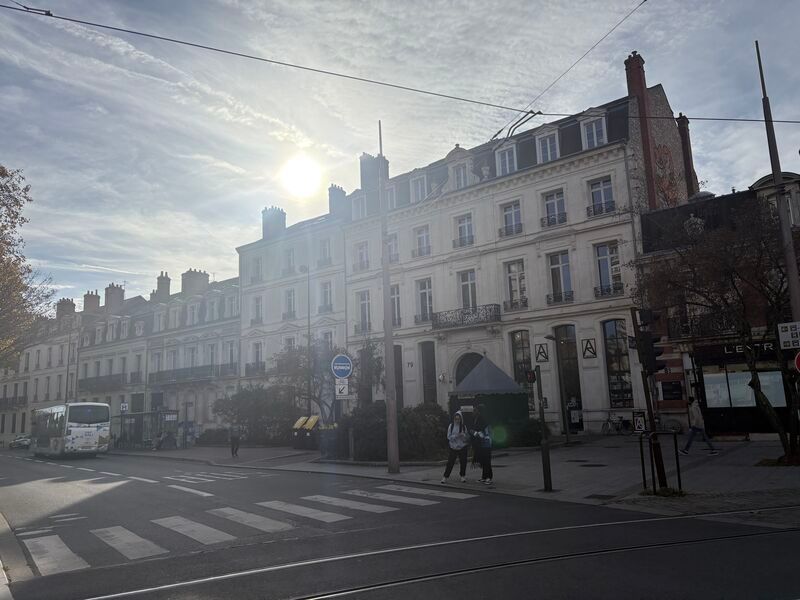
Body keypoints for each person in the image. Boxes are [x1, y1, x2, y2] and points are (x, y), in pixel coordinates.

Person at [441, 411, 470, 484]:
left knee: (463, 462)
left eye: (458, 419)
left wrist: (463, 436)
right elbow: (448, 437)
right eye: (456, 419)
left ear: (461, 419)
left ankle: (462, 475)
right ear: (454, 419)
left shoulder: (463, 426)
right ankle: (445, 476)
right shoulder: (451, 426)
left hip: (462, 447)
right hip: (453, 447)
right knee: (450, 462)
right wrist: (456, 436)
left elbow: (466, 438)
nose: (457, 420)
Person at [471, 404, 493, 485]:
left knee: (487, 461)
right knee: (483, 461)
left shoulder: (483, 420)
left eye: (475, 410)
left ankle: (489, 478)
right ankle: (484, 477)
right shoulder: (477, 419)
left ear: (479, 412)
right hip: (481, 444)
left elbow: (484, 433)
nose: (473, 411)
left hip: (486, 443)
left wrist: (474, 433)